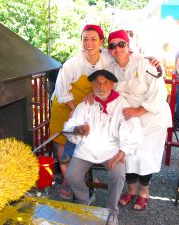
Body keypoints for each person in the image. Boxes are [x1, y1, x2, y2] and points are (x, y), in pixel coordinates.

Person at [64, 69, 143, 225]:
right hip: (86, 148)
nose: (101, 86)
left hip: (111, 150)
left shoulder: (121, 104)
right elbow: (71, 124)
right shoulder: (87, 102)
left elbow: (133, 129)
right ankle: (85, 200)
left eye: (105, 82)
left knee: (118, 175)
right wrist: (77, 129)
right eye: (97, 82)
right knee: (71, 175)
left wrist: (122, 152)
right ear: (92, 85)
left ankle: (112, 211)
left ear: (112, 84)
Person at [106, 30, 172, 210]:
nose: (117, 48)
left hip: (152, 117)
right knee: (129, 155)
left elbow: (160, 93)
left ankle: (144, 192)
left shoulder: (146, 64)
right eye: (112, 45)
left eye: (121, 44)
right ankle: (131, 190)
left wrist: (139, 110)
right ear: (109, 49)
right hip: (130, 119)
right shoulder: (111, 68)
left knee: (146, 156)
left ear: (128, 45)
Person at [49, 24, 112, 199]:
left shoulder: (107, 58)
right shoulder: (72, 65)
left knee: (86, 141)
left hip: (88, 107)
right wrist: (74, 111)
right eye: (85, 39)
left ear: (101, 42)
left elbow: (128, 56)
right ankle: (67, 182)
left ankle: (83, 175)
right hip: (65, 105)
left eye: (93, 39)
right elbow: (62, 92)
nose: (89, 43)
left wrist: (151, 59)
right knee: (65, 144)